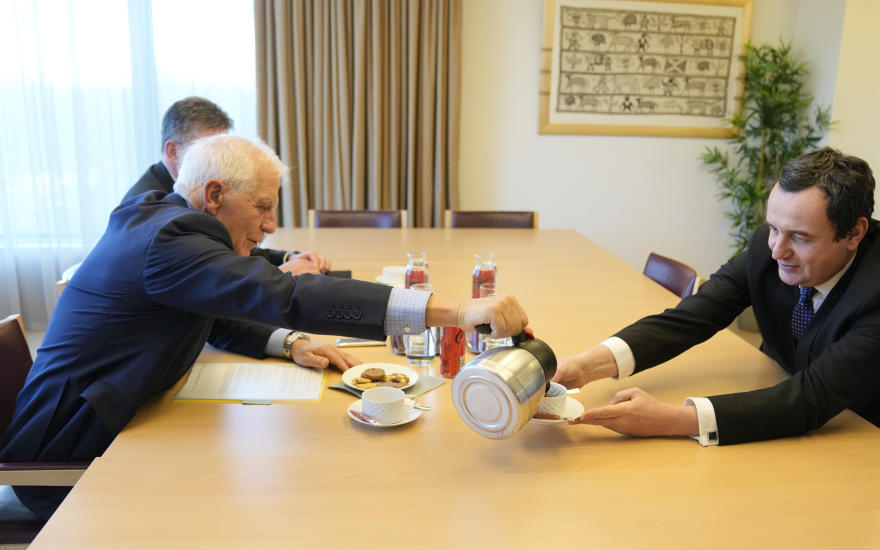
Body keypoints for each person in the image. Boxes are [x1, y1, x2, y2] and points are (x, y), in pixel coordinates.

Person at [1, 134, 529, 518]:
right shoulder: (171, 240)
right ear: (213, 196)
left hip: (120, 420)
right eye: (263, 207)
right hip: (65, 457)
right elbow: (288, 294)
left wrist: (289, 342)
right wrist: (459, 311)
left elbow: (211, 316)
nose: (271, 225)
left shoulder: (161, 218)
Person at [554, 147, 880, 476]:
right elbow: (695, 315)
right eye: (774, 228)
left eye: (799, 237)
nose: (777, 249)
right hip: (805, 430)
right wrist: (585, 366)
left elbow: (810, 399)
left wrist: (672, 419)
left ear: (854, 233)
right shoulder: (771, 244)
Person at [122, 96, 328, 276]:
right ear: (173, 151)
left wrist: (286, 257)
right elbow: (207, 277)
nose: (221, 157)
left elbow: (226, 244)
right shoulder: (150, 207)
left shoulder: (193, 193)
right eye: (207, 147)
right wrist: (277, 277)